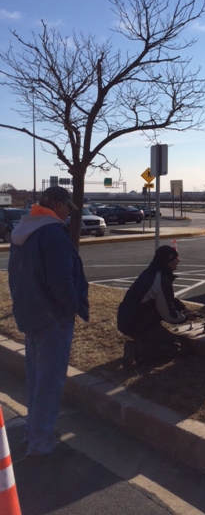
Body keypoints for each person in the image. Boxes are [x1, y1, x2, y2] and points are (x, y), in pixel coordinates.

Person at [8, 186, 89, 459]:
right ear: (57, 205)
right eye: (67, 206)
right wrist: (72, 307)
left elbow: (15, 275)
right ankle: (41, 443)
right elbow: (61, 280)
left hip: (30, 313)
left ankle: (35, 433)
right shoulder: (52, 233)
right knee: (49, 382)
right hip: (52, 317)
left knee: (36, 379)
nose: (69, 213)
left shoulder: (26, 228)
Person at [117, 245, 190, 366]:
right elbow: (169, 315)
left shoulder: (153, 273)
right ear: (168, 260)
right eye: (176, 258)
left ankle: (140, 343)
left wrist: (183, 308)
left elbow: (167, 298)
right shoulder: (160, 279)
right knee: (174, 346)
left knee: (162, 339)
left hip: (129, 320)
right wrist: (185, 318)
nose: (179, 260)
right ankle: (136, 350)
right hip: (137, 324)